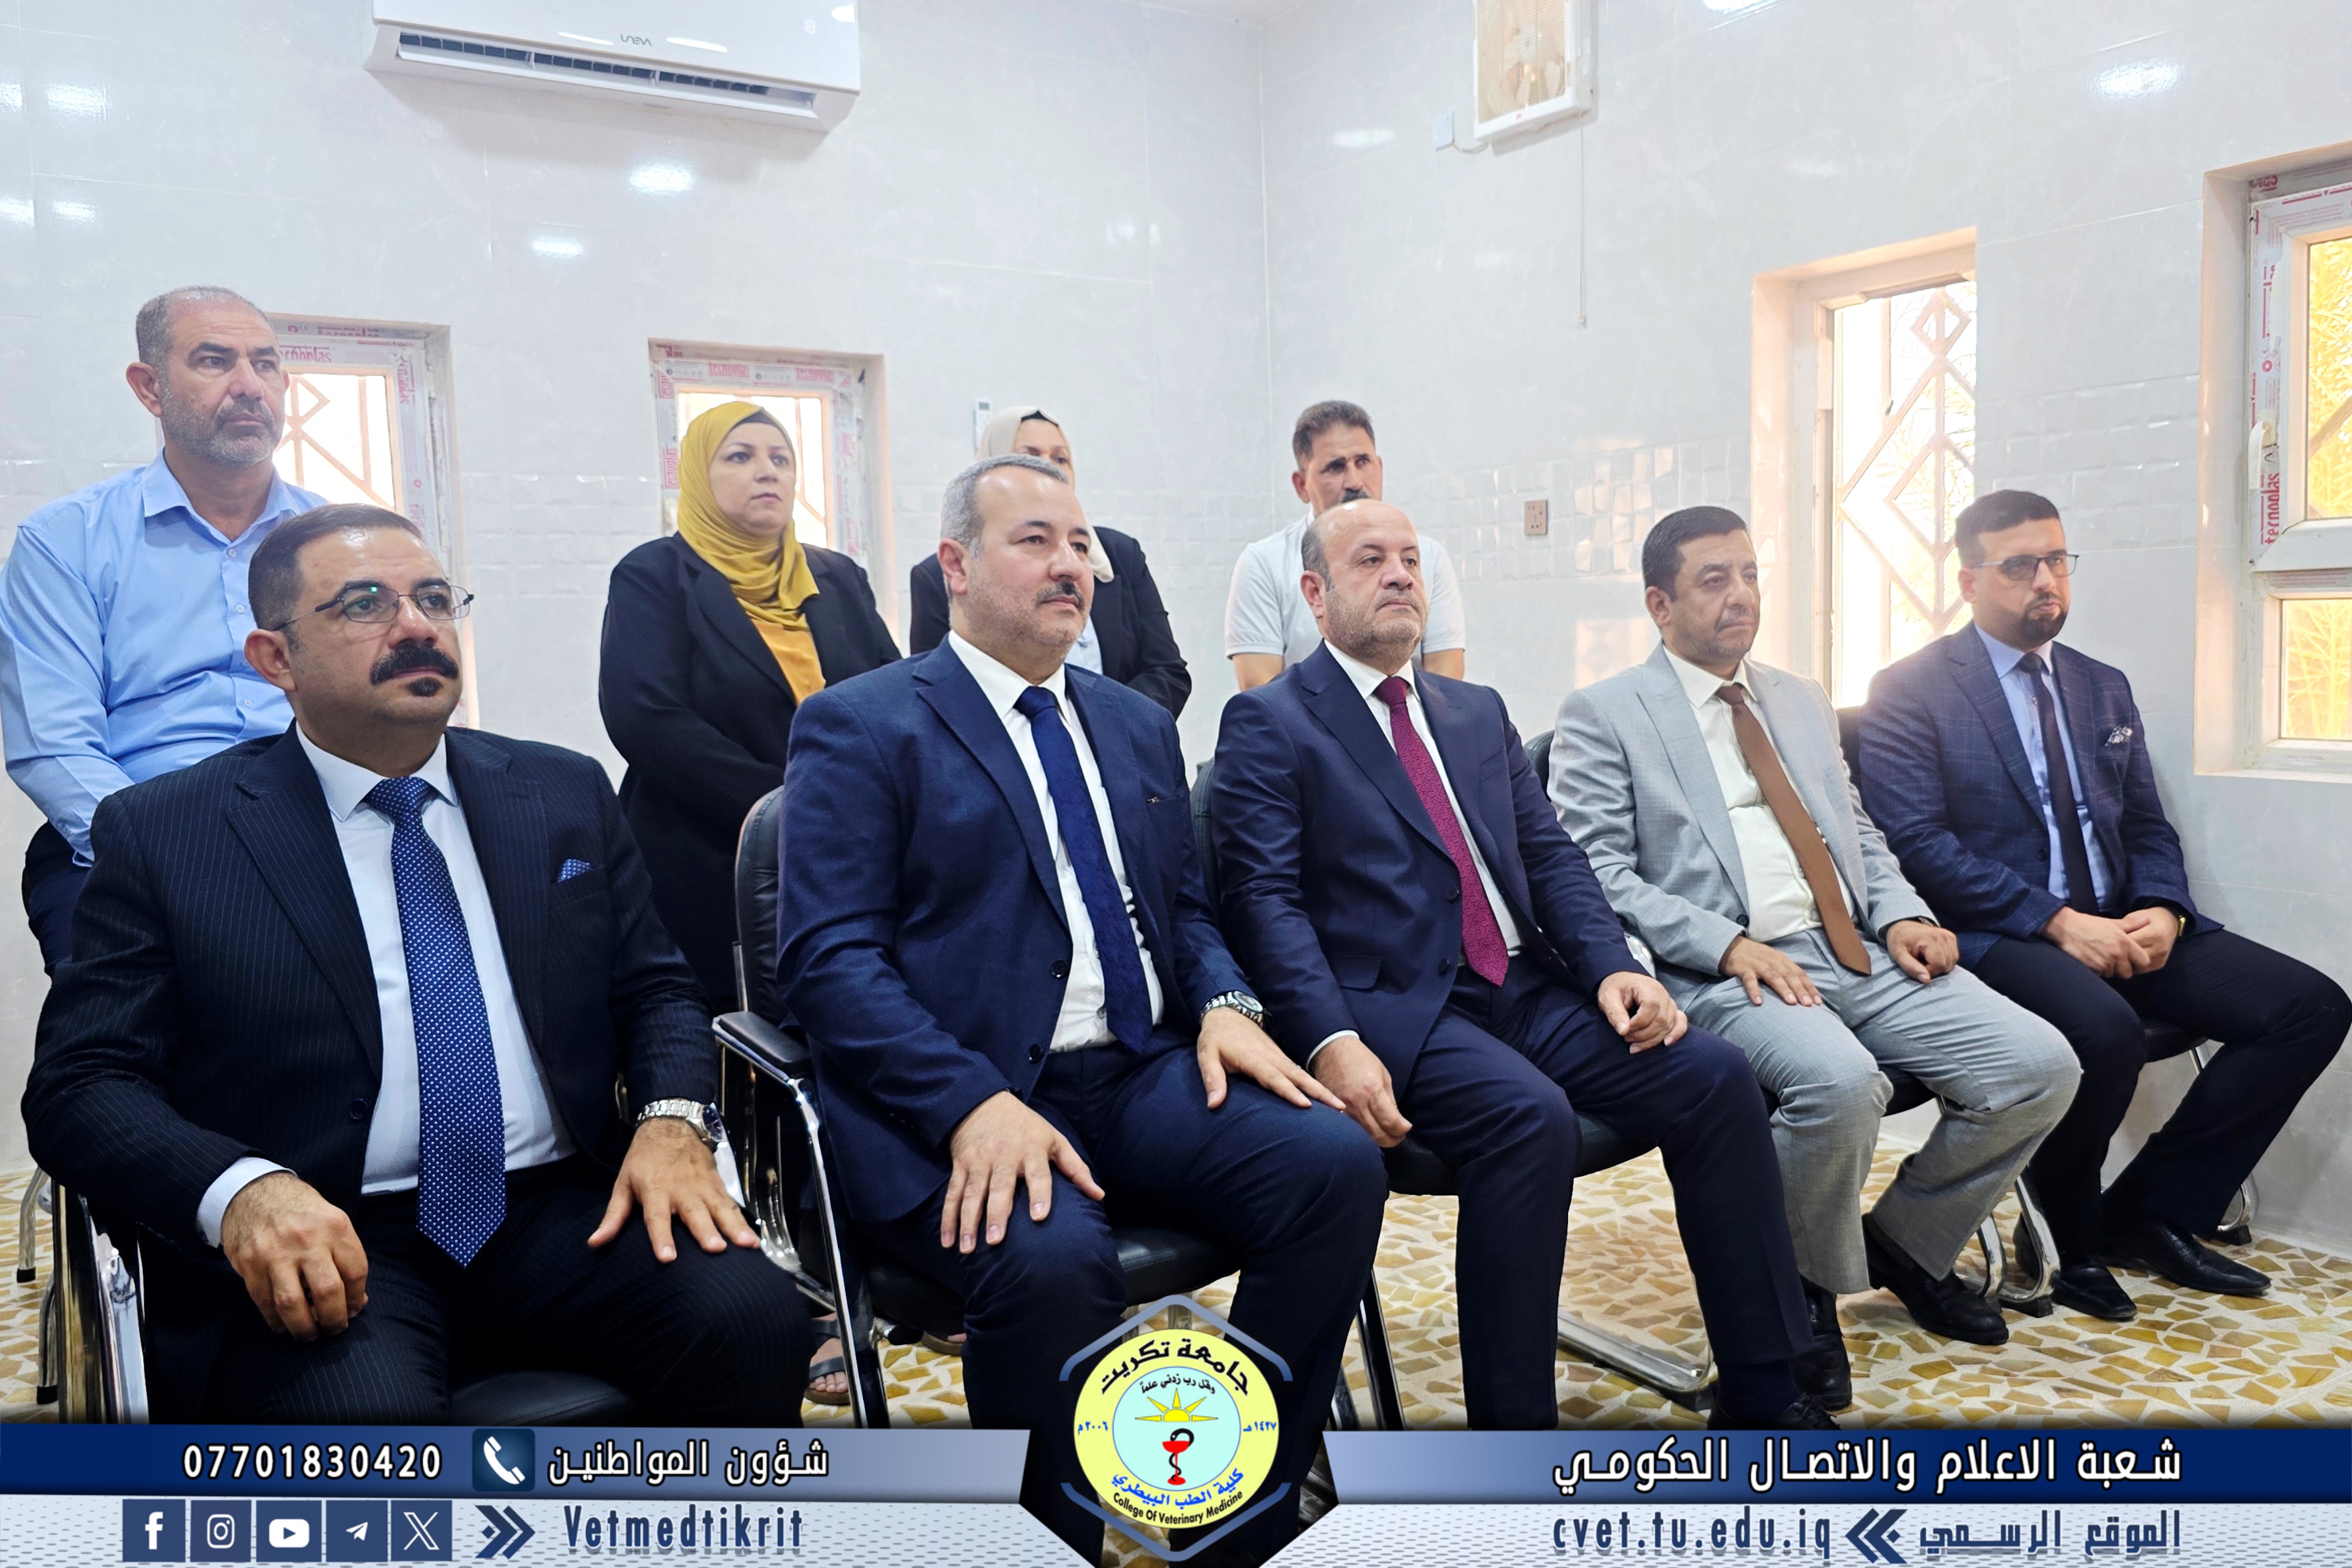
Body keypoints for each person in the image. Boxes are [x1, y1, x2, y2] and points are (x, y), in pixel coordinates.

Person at [22, 505, 812, 1423]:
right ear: (275, 658)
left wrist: (672, 1120)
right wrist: (243, 1192)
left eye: (434, 599)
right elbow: (82, 1084)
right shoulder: (171, 830)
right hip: (323, 1221)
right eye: (365, 604)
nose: (415, 626)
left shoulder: (559, 790)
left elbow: (655, 988)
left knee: (757, 1323)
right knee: (368, 1426)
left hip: (556, 1209)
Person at [779, 455, 1385, 1564]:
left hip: (1139, 1071)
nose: (1071, 566)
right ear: (955, 566)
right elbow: (827, 962)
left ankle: (1231, 1513)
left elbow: (1184, 909)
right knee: (1052, 1262)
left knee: (1334, 1167)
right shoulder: (863, 725)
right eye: (1036, 542)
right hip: (961, 1098)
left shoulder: (1134, 723)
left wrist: (1227, 1003)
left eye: (1080, 545)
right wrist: (969, 1104)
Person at [1211, 499, 1830, 1432]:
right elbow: (1264, 904)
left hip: (1519, 983)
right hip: (1398, 1009)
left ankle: (1763, 1389)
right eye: (1370, 560)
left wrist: (1612, 966)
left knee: (1712, 1075)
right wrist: (1330, 1039)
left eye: (1410, 558)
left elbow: (1549, 857)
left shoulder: (1473, 711)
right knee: (1528, 1120)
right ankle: (1513, 1444)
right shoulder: (1271, 721)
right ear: (1315, 592)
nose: (1399, 574)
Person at [1549, 506, 2078, 1405]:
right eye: (1713, 580)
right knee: (1838, 1084)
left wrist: (1902, 914)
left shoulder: (1795, 697)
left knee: (2039, 1065)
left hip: (1851, 943)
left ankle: (1905, 1244)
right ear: (1659, 604)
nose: (1740, 595)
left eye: (1749, 574)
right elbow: (1592, 871)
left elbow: (1855, 829)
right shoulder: (1604, 714)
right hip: (1724, 966)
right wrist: (1723, 943)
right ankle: (1796, 1302)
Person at [1863, 489, 2350, 1319]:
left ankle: (2151, 1212)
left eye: (2057, 560)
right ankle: (2068, 1237)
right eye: (2021, 565)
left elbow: (2146, 825)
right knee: (2106, 1030)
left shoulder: (2099, 686)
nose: (2045, 580)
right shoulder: (1911, 689)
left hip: (2116, 920)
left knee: (2308, 1007)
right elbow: (1917, 845)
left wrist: (2162, 908)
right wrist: (2056, 922)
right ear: (1969, 580)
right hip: (1998, 933)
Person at [0, 285, 324, 973]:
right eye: (214, 360)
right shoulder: (67, 540)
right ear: (149, 388)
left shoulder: (338, 541)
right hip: (136, 835)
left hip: (322, 824)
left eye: (265, 363)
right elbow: (55, 746)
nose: (249, 385)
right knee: (127, 1025)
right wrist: (168, 855)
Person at [600, 399, 900, 1015]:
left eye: (782, 459)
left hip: (849, 853)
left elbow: (893, 695)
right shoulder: (656, 574)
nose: (768, 472)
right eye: (740, 457)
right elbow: (647, 716)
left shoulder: (838, 577)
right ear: (697, 476)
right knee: (731, 1037)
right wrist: (790, 806)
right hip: (712, 854)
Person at [907, 406, 1190, 716]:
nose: (1046, 469)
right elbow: (940, 693)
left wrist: (1094, 728)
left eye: (1060, 458)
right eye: (1029, 456)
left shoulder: (1119, 554)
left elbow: (1167, 671)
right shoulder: (941, 575)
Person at [1224, 400, 1467, 690]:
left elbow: (1446, 683)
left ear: (1379, 468)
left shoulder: (1428, 555)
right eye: (1335, 467)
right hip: (1308, 720)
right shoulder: (1264, 563)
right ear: (1302, 485)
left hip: (1404, 715)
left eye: (1362, 462)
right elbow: (1261, 688)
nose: (1354, 481)